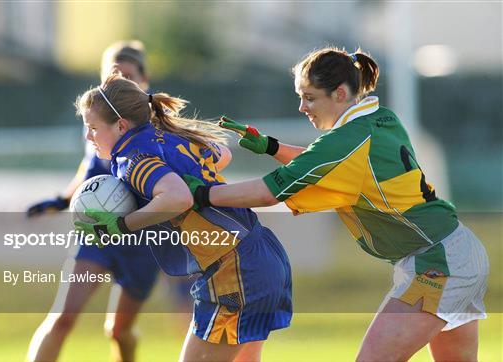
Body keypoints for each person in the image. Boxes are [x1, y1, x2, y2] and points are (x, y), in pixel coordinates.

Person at [184, 47, 489, 361]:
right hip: (458, 251)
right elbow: (329, 166)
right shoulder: (380, 118)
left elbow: (269, 191)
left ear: (340, 93)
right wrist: (272, 147)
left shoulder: (346, 140)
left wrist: (202, 195)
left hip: (438, 262)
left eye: (310, 97)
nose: (302, 107)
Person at [73, 74, 292, 362]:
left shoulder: (133, 159)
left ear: (121, 125)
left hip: (235, 270)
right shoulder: (167, 137)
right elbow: (221, 153)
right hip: (260, 256)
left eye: (92, 128)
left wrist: (122, 225)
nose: (88, 137)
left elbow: (179, 198)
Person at [26, 40, 160, 362]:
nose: (118, 82)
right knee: (62, 318)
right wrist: (62, 199)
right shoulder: (96, 120)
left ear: (144, 80)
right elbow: (90, 170)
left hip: (144, 241)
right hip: (98, 234)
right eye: (110, 76)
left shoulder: (158, 127)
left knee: (118, 331)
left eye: (127, 76)